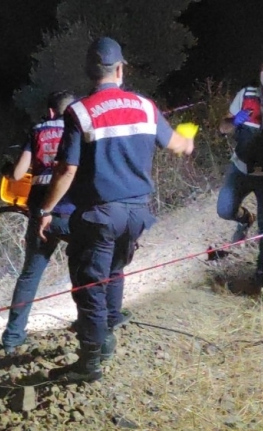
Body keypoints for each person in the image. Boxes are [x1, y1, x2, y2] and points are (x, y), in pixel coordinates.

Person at [36, 37, 195, 383]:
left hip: (99, 215)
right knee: (115, 270)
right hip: (137, 214)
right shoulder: (146, 106)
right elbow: (179, 145)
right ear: (120, 69)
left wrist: (46, 209)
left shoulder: (78, 112)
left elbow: (67, 169)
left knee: (88, 283)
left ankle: (91, 359)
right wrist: (189, 136)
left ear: (90, 72)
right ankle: (106, 333)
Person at [0, 91, 76, 355]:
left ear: (51, 111)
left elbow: (19, 173)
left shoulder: (38, 131)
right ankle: (90, 323)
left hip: (39, 212)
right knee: (84, 261)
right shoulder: (79, 130)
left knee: (30, 274)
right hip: (69, 212)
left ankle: (12, 337)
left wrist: (8, 169)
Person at [216, 63, 263, 286]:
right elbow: (223, 127)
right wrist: (234, 121)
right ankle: (245, 219)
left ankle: (260, 275)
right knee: (224, 209)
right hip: (240, 168)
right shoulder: (246, 94)